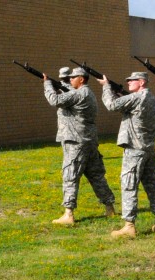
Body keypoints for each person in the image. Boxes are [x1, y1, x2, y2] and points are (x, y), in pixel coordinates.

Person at [98, 72, 155, 238]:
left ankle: (129, 225)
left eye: (132, 81)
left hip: (134, 149)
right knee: (153, 186)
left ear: (141, 82)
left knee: (129, 184)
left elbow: (111, 105)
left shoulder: (137, 97)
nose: (128, 83)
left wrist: (106, 86)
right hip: (148, 147)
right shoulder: (151, 99)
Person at [43, 67, 116, 225]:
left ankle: (68, 214)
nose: (70, 80)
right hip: (88, 140)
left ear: (81, 79)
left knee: (70, 175)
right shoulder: (88, 93)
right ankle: (109, 207)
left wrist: (47, 84)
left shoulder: (79, 93)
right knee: (96, 175)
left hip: (76, 142)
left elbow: (54, 100)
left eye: (73, 77)